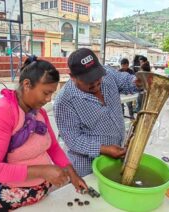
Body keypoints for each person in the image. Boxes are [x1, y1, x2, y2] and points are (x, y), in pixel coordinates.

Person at [0, 56, 87, 211]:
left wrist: (72, 174)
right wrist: (43, 170)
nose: (48, 99)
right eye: (45, 93)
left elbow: (54, 148)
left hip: (40, 193)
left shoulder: (38, 112)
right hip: (12, 198)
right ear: (27, 84)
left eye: (52, 94)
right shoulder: (0, 114)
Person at [53, 48, 140, 177]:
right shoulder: (64, 101)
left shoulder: (107, 74)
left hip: (115, 160)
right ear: (72, 77)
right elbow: (73, 139)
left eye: (97, 77)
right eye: (88, 80)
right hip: (86, 170)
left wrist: (138, 81)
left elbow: (126, 81)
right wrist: (104, 149)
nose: (95, 82)